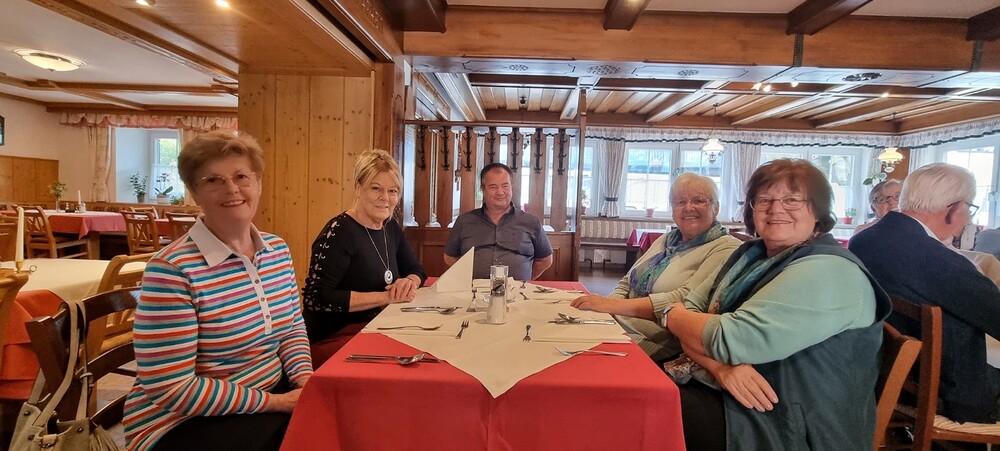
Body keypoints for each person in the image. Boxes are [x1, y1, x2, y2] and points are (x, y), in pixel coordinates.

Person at [665, 159, 889, 451]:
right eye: (764, 200)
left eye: (792, 200)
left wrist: (672, 316)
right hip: (728, 393)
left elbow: (731, 338)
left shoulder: (830, 271)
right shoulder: (751, 254)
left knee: (643, 411)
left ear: (818, 210)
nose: (776, 209)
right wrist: (721, 368)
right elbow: (693, 313)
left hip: (788, 424)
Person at [124, 131, 313, 451]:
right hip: (180, 422)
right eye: (213, 180)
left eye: (242, 176)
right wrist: (278, 403)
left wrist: (305, 382)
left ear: (258, 184)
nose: (232, 188)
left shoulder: (277, 250)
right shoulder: (172, 270)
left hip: (267, 395)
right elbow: (171, 388)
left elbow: (292, 327)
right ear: (194, 193)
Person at [851, 162, 1000, 424]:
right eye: (970, 208)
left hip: (888, 373)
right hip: (946, 393)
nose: (968, 218)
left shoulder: (866, 239)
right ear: (954, 210)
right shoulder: (940, 261)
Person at [570, 173, 740, 362]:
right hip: (618, 327)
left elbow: (685, 299)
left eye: (698, 200)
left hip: (659, 344)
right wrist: (607, 312)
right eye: (680, 202)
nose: (688, 207)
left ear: (716, 208)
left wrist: (612, 306)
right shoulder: (667, 240)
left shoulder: (726, 247)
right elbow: (627, 281)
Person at [301, 149, 426, 365]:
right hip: (333, 338)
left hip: (374, 327)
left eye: (393, 191)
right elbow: (316, 299)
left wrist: (408, 282)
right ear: (358, 187)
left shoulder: (389, 227)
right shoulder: (339, 232)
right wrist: (386, 297)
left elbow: (417, 269)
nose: (385, 198)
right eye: (376, 188)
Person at [443, 162, 552, 280]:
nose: (500, 192)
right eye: (493, 187)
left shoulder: (531, 222)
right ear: (483, 189)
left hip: (518, 290)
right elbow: (450, 257)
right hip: (473, 290)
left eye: (505, 186)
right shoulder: (464, 221)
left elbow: (545, 260)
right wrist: (466, 278)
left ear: (511, 187)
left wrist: (524, 281)